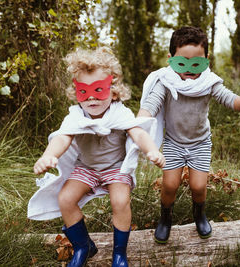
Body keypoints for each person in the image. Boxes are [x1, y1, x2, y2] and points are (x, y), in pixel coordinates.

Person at [28, 47, 165, 267]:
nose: (91, 97)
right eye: (84, 91)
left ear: (113, 91)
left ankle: (119, 253)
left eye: (99, 90)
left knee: (120, 201)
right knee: (65, 199)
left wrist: (152, 150)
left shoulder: (119, 113)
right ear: (76, 92)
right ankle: (83, 246)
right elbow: (62, 138)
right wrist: (48, 156)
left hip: (115, 167)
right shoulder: (76, 115)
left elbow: (138, 132)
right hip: (87, 167)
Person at [138, 26, 240, 244]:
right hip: (174, 143)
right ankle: (165, 218)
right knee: (170, 185)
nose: (189, 69)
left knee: (198, 187)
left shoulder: (209, 82)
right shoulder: (166, 82)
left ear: (206, 59)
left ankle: (199, 214)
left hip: (200, 143)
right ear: (170, 59)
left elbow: (229, 98)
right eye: (182, 62)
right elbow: (150, 106)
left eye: (196, 63)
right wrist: (138, 122)